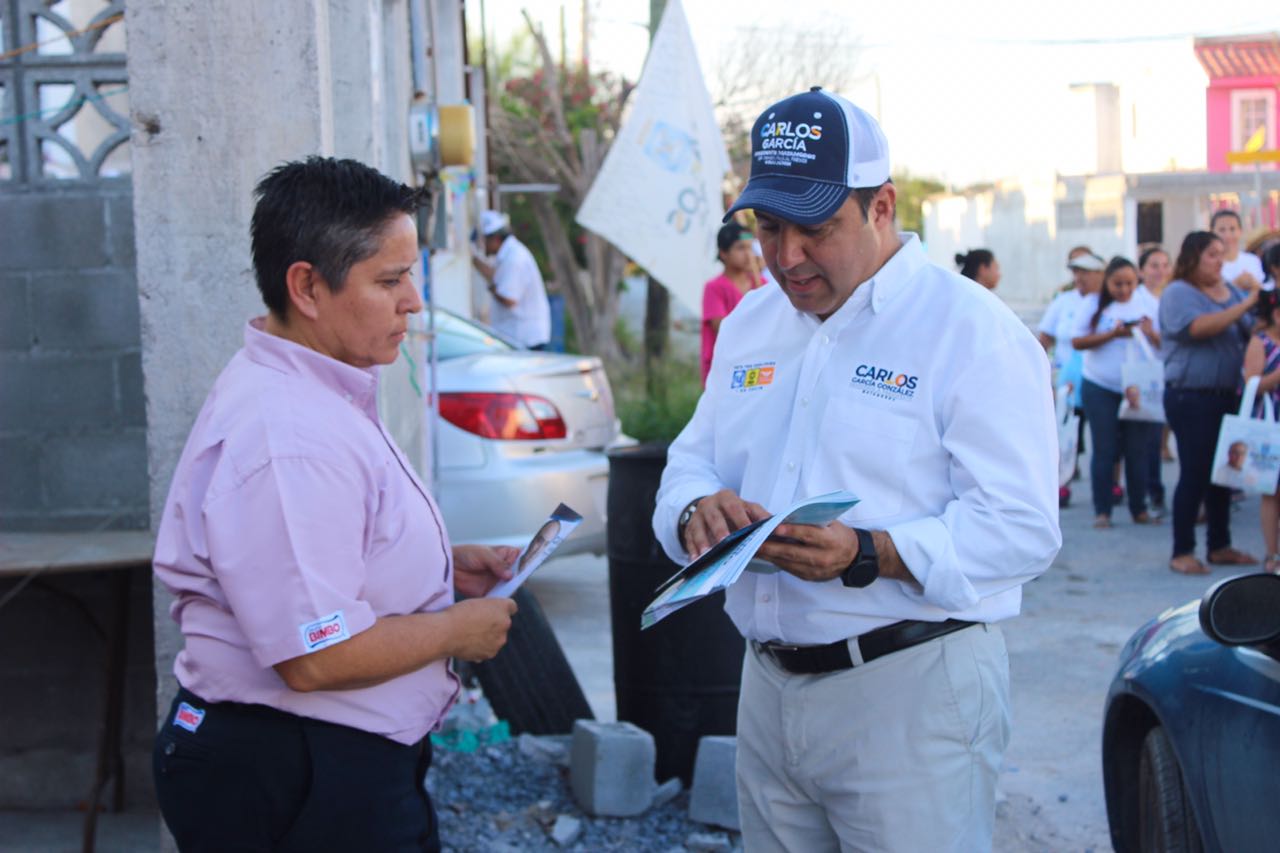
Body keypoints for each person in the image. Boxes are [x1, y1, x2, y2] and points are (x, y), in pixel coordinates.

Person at [651, 87, 1061, 852]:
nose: (786, 256)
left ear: (882, 208)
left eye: (814, 229)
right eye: (768, 228)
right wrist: (693, 509)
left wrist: (871, 553)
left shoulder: (971, 333)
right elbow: (690, 459)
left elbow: (1023, 528)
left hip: (910, 693)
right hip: (768, 690)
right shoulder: (751, 321)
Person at [151, 157, 520, 852]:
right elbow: (315, 656)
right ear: (308, 287)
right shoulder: (289, 435)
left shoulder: (321, 387)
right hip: (297, 767)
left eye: (411, 273)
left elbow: (327, 554)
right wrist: (452, 631)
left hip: (323, 754)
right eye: (389, 280)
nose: (413, 299)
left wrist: (439, 566)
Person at [1160, 230, 1261, 575]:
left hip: (1226, 395)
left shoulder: (1230, 291)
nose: (1220, 261)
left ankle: (1219, 545)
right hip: (1191, 396)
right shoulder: (1178, 292)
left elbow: (1251, 329)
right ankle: (1182, 549)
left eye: (1222, 254)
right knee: (1196, 471)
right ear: (1193, 258)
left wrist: (1257, 303)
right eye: (1212, 255)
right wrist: (1245, 304)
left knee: (1224, 474)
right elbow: (1198, 329)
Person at [1069, 256, 1163, 528]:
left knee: (1137, 449)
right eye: (1117, 284)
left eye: (1129, 284)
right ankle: (1103, 510)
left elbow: (1163, 344)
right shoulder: (1093, 305)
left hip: (1137, 387)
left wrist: (1147, 332)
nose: (1123, 290)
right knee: (1105, 449)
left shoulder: (1148, 304)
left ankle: (1139, 508)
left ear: (1138, 282)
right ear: (1107, 282)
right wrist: (1111, 335)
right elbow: (1078, 341)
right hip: (1100, 384)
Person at [1038, 249, 1105, 506]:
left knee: (1104, 439)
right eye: (1076, 272)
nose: (1080, 277)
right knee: (1065, 436)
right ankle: (1061, 485)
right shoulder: (1064, 301)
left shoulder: (1108, 302)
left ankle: (1110, 487)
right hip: (1068, 382)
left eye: (1086, 272)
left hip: (1099, 382)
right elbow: (1044, 339)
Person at [470, 210, 552, 349]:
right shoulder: (508, 254)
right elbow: (496, 276)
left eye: (484, 241)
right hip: (519, 335)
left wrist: (492, 289)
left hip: (524, 338)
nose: (483, 246)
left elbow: (509, 299)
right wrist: (475, 260)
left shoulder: (514, 259)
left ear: (495, 239)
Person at [1244, 276, 1280, 573]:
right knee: (1272, 491)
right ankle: (1272, 554)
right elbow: (1252, 384)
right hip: (1271, 425)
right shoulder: (1261, 342)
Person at [701, 222, 765, 383]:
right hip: (726, 369)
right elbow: (722, 329)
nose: (749, 255)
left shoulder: (762, 284)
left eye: (750, 248)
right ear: (723, 253)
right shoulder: (714, 288)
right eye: (741, 248)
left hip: (758, 367)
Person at [1139, 246, 1176, 474]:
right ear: (1142, 270)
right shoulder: (1136, 298)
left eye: (1165, 265)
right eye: (1154, 265)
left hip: (1170, 362)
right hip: (1145, 369)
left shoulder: (1174, 295)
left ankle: (1164, 445)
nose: (1160, 271)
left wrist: (1154, 334)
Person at [1211, 208, 1265, 292]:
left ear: (1240, 231)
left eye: (1232, 229)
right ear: (1212, 232)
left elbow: (1262, 290)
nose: (1227, 235)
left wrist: (1254, 283)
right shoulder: (1209, 264)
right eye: (1222, 230)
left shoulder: (1253, 260)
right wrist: (1236, 284)